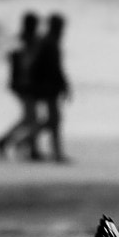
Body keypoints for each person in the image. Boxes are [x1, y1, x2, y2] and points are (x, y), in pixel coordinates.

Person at [0, 12, 41, 160]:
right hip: (25, 84)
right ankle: (15, 143)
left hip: (21, 83)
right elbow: (26, 63)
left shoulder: (21, 40)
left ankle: (11, 142)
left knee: (29, 117)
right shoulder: (28, 41)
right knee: (31, 118)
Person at [26, 13, 71, 163]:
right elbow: (55, 69)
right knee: (55, 121)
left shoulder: (46, 42)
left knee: (53, 120)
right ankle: (55, 153)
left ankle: (30, 143)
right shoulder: (50, 43)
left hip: (45, 87)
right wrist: (64, 85)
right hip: (49, 87)